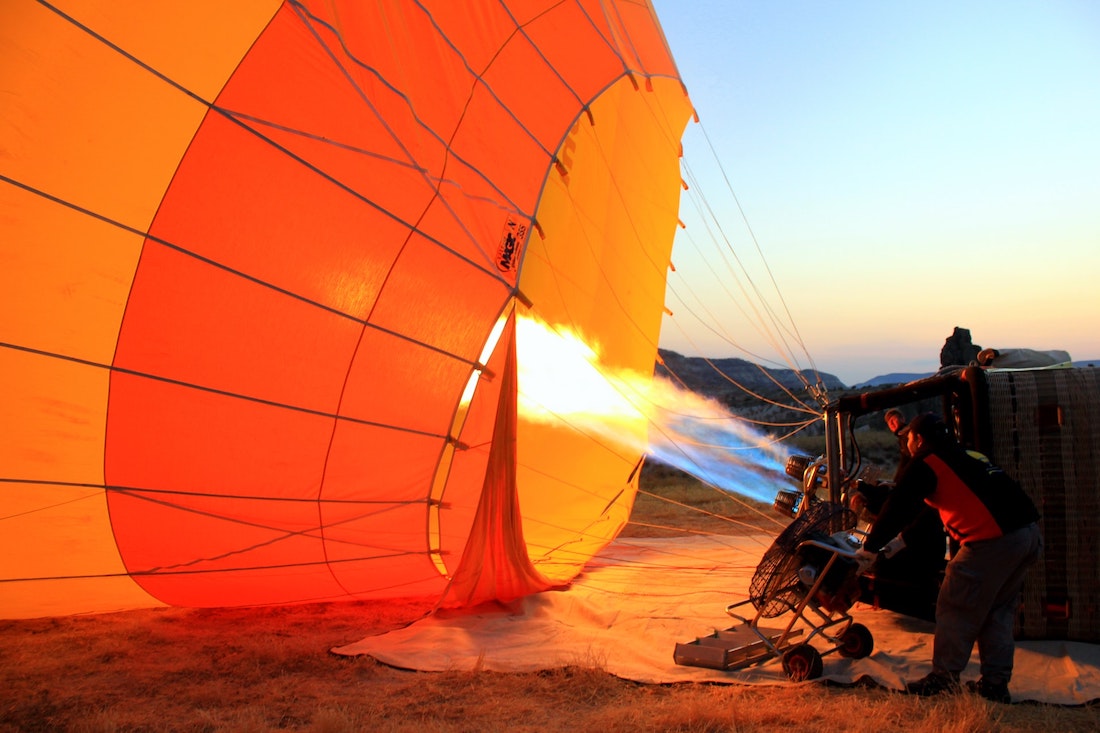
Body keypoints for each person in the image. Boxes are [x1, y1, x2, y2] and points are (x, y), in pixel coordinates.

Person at [858, 412, 1042, 703]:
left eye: (908, 439)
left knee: (955, 603)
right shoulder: (965, 454)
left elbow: (900, 506)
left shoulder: (928, 461)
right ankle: (995, 684)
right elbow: (921, 500)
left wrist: (870, 548)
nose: (906, 443)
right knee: (997, 610)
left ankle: (943, 678)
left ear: (918, 440)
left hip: (992, 541)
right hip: (1027, 534)